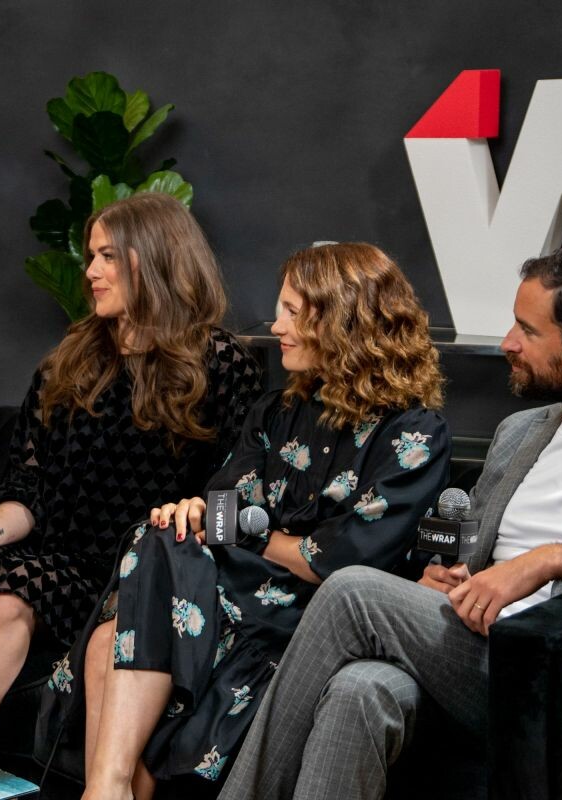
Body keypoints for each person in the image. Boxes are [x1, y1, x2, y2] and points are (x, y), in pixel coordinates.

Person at [218, 243, 562, 800]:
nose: (507, 343)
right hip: (473, 649)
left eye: (528, 330)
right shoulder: (521, 431)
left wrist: (559, 558)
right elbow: (460, 542)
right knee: (360, 689)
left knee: (351, 591)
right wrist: (437, 572)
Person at [60, 242, 450, 799]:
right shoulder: (276, 411)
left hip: (310, 619)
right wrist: (200, 515)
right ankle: (107, 788)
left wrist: (252, 530)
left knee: (111, 643)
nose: (277, 325)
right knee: (160, 539)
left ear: (344, 322)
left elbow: (342, 563)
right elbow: (225, 510)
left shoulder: (413, 435)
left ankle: (107, 789)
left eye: (292, 311)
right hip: (232, 588)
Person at [0, 193, 263, 746]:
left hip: (132, 570)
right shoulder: (72, 359)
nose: (91, 272)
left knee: (11, 598)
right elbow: (29, 490)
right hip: (50, 554)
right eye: (92, 256)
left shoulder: (220, 364)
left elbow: (235, 487)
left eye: (107, 256)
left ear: (152, 258)